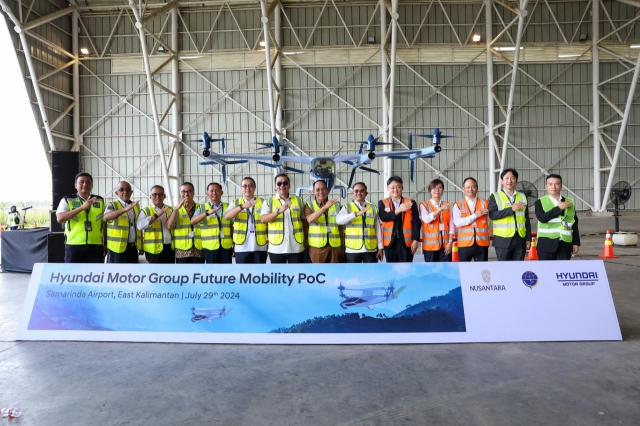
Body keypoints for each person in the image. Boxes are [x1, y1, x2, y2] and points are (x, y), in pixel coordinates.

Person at [56, 172, 106, 263]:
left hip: (96, 245)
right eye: (81, 182)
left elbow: (104, 222)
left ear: (92, 185)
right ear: (75, 185)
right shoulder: (67, 199)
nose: (85, 184)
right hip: (74, 245)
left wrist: (105, 243)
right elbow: (60, 218)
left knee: (95, 275)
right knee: (72, 275)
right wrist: (82, 208)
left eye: (88, 182)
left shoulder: (100, 200)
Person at [261, 173, 306, 264]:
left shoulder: (299, 200)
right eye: (279, 183)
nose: (282, 185)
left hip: (296, 247)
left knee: (296, 275)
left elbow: (304, 222)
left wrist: (306, 241)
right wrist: (278, 212)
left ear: (289, 185)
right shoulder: (269, 202)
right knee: (279, 276)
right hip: (276, 248)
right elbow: (263, 220)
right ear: (275, 186)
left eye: (285, 183)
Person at [489, 169, 532, 261]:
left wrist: (528, 238)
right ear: (502, 181)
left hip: (520, 239)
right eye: (506, 178)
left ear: (516, 180)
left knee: (518, 269)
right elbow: (492, 215)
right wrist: (511, 209)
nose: (509, 181)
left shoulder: (523, 196)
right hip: (503, 240)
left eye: (512, 178)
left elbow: (526, 219)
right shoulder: (495, 196)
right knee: (504, 270)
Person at [535, 174, 580, 260]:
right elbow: (542, 218)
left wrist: (575, 243)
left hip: (565, 244)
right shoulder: (540, 202)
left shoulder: (569, 202)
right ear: (546, 186)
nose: (553, 187)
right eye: (550, 184)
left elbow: (574, 223)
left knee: (562, 271)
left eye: (557, 184)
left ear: (561, 186)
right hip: (546, 245)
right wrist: (559, 208)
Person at [223, 177, 268, 264]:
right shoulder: (235, 202)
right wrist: (242, 206)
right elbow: (227, 217)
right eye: (245, 186)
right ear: (241, 188)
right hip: (242, 246)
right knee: (243, 275)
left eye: (250, 185)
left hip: (259, 245)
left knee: (259, 274)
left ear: (255, 187)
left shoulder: (263, 202)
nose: (248, 188)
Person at [336, 182, 383, 263]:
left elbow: (378, 228)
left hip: (370, 248)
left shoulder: (372, 207)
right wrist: (356, 214)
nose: (359, 193)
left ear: (366, 193)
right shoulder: (347, 207)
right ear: (353, 193)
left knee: (370, 274)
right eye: (356, 191)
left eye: (362, 191)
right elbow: (338, 220)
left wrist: (380, 247)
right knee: (353, 274)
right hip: (352, 249)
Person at [378, 176, 420, 263]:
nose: (395, 190)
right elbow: (384, 217)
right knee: (391, 269)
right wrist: (399, 210)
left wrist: (416, 240)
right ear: (387, 188)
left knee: (406, 268)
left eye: (398, 187)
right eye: (392, 187)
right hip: (390, 243)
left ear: (402, 188)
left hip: (406, 242)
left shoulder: (411, 202)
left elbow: (416, 223)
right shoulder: (382, 203)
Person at [191, 182, 233, 264]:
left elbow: (232, 225)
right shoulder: (202, 207)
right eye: (211, 191)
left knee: (227, 273)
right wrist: (206, 213)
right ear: (207, 194)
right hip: (210, 247)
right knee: (213, 273)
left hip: (226, 246)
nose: (214, 193)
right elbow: (193, 221)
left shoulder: (228, 207)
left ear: (221, 193)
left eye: (217, 190)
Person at [103, 181, 142, 263]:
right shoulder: (112, 205)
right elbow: (106, 217)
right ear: (117, 193)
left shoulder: (136, 206)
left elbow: (139, 226)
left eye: (128, 189)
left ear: (131, 192)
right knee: (117, 274)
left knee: (133, 274)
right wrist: (124, 209)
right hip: (117, 249)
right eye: (121, 189)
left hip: (133, 247)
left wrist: (141, 246)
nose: (125, 192)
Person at [305, 180, 343, 263]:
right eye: (318, 190)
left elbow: (340, 226)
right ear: (313, 191)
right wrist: (325, 207)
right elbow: (310, 219)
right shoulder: (309, 205)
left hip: (335, 246)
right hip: (317, 247)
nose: (321, 192)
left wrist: (342, 245)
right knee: (319, 272)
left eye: (323, 189)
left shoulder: (337, 205)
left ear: (327, 190)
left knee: (334, 273)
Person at [453, 177, 490, 262]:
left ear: (477, 188)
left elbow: (490, 220)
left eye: (473, 187)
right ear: (463, 189)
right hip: (464, 245)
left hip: (482, 243)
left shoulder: (485, 203)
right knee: (464, 271)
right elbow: (458, 222)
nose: (470, 189)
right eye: (468, 187)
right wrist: (475, 215)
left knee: (482, 270)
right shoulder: (458, 204)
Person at [166, 182, 204, 264]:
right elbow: (169, 226)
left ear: (193, 193)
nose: (186, 194)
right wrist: (175, 210)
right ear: (180, 194)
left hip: (198, 249)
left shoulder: (201, 208)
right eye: (183, 191)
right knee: (183, 276)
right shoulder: (174, 209)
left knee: (198, 275)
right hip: (182, 251)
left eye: (189, 191)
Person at [137, 185, 174, 264]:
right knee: (155, 274)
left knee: (169, 274)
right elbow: (140, 226)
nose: (157, 196)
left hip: (169, 248)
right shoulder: (145, 211)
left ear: (164, 196)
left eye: (160, 194)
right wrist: (156, 215)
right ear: (150, 196)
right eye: (154, 194)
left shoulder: (171, 209)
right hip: (153, 250)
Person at [419, 179, 454, 262]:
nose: (437, 190)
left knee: (446, 271)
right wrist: (439, 210)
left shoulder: (448, 205)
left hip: (446, 246)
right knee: (431, 271)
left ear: (443, 191)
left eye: (440, 188)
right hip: (430, 247)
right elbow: (426, 219)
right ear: (430, 190)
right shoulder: (424, 205)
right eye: (434, 188)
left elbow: (451, 225)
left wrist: (450, 242)